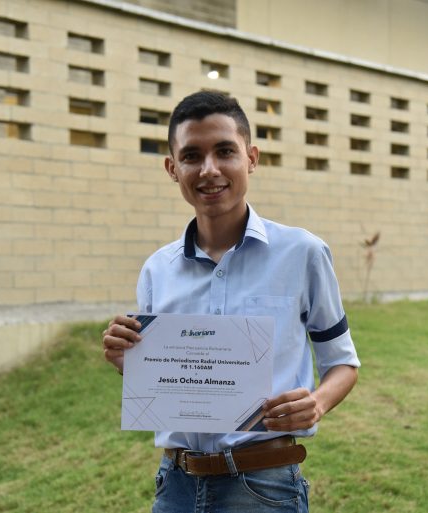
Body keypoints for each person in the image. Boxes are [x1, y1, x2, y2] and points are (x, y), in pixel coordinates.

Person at [102, 90, 360, 512]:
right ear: (172, 168)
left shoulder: (303, 254)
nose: (209, 169)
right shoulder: (156, 270)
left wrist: (317, 403)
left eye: (225, 151)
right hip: (176, 485)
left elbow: (343, 363)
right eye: (191, 156)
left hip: (263, 487)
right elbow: (166, 375)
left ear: (251, 158)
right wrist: (128, 361)